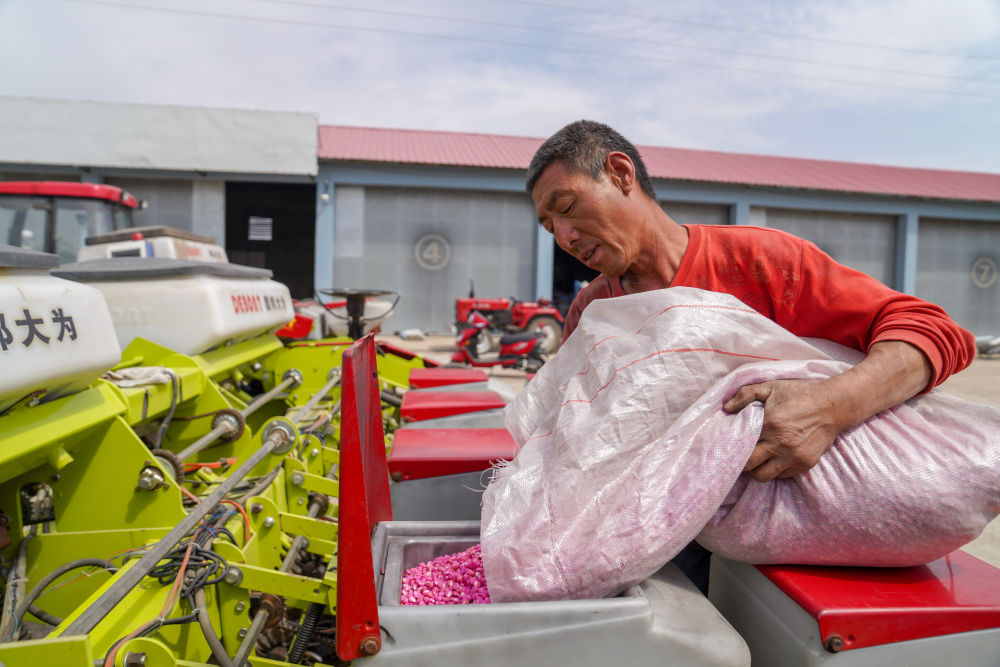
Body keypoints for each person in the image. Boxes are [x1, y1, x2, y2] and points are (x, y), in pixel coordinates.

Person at [528, 120, 975, 484]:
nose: (565, 237)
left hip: (782, 528)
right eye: (550, 228)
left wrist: (831, 406)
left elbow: (932, 331)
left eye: (566, 207)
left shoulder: (763, 262)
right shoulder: (591, 313)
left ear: (620, 174)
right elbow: (571, 429)